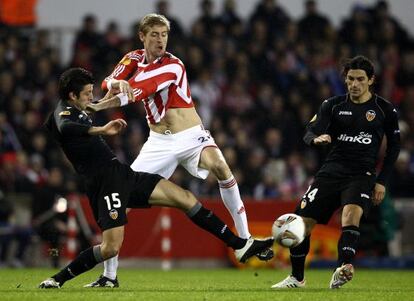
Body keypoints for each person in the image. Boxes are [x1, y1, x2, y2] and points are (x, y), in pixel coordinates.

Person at [38, 67, 273, 289]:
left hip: (122, 175)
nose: (92, 97)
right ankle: (58, 279)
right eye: (88, 94)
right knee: (110, 248)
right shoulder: (64, 113)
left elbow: (55, 125)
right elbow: (65, 126)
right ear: (72, 95)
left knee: (185, 198)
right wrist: (100, 130)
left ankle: (240, 245)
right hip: (105, 184)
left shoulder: (73, 110)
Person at [84, 13, 272, 287]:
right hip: (159, 142)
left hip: (190, 135)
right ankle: (109, 276)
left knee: (220, 166)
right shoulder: (133, 59)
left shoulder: (173, 65)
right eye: (154, 35)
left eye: (164, 35)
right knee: (118, 198)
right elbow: (108, 82)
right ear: (142, 37)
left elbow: (137, 90)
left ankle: (244, 240)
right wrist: (114, 85)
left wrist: (103, 103)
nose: (160, 40)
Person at [271, 55, 400, 289]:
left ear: (371, 80)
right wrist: (315, 139)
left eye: (360, 79)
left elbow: (394, 147)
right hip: (331, 172)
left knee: (350, 216)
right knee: (301, 224)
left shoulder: (384, 109)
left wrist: (381, 181)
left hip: (362, 174)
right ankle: (297, 278)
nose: (354, 84)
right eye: (350, 79)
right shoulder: (332, 105)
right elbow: (310, 131)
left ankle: (342, 269)